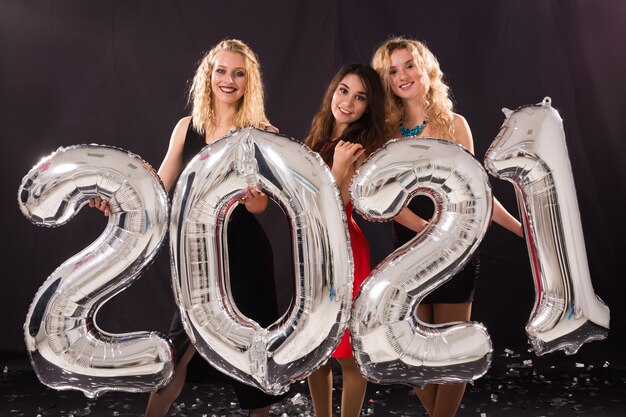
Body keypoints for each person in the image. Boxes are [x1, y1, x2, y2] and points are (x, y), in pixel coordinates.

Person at [90, 38, 285, 417]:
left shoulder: (260, 132)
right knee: (178, 349)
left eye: (238, 73)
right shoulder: (187, 127)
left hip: (244, 254)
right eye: (222, 71)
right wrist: (115, 203)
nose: (228, 80)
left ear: (249, 82)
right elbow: (157, 189)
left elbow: (261, 206)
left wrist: (249, 193)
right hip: (198, 256)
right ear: (208, 75)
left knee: (251, 356)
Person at [372, 37, 523, 417]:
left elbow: (478, 197)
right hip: (409, 253)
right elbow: (384, 202)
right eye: (393, 70)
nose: (402, 75)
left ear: (426, 69)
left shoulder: (454, 125)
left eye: (409, 65)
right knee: (413, 353)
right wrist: (427, 230)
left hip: (456, 251)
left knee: (452, 354)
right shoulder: (384, 132)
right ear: (386, 80)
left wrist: (524, 230)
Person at [304, 63, 390, 417]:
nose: (348, 102)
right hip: (314, 250)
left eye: (360, 97)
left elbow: (336, 210)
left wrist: (339, 172)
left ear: (368, 107)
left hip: (344, 250)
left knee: (348, 355)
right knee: (314, 352)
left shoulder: (358, 148)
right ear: (333, 91)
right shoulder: (320, 137)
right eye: (344, 91)